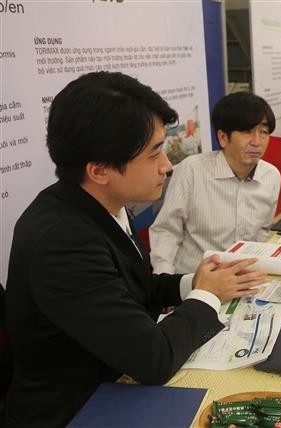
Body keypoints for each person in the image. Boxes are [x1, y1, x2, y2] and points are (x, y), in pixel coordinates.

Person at [3, 72, 267, 427]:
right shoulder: (62, 242)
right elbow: (153, 361)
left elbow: (131, 288)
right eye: (154, 153)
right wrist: (206, 297)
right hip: (76, 411)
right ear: (99, 170)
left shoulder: (101, 201)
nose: (167, 166)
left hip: (114, 386)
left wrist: (194, 283)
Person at [150, 93, 281, 274]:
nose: (257, 142)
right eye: (246, 132)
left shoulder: (271, 176)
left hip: (243, 280)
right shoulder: (192, 171)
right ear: (223, 138)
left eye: (263, 132)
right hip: (194, 281)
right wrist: (164, 283)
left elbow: (263, 230)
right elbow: (166, 231)